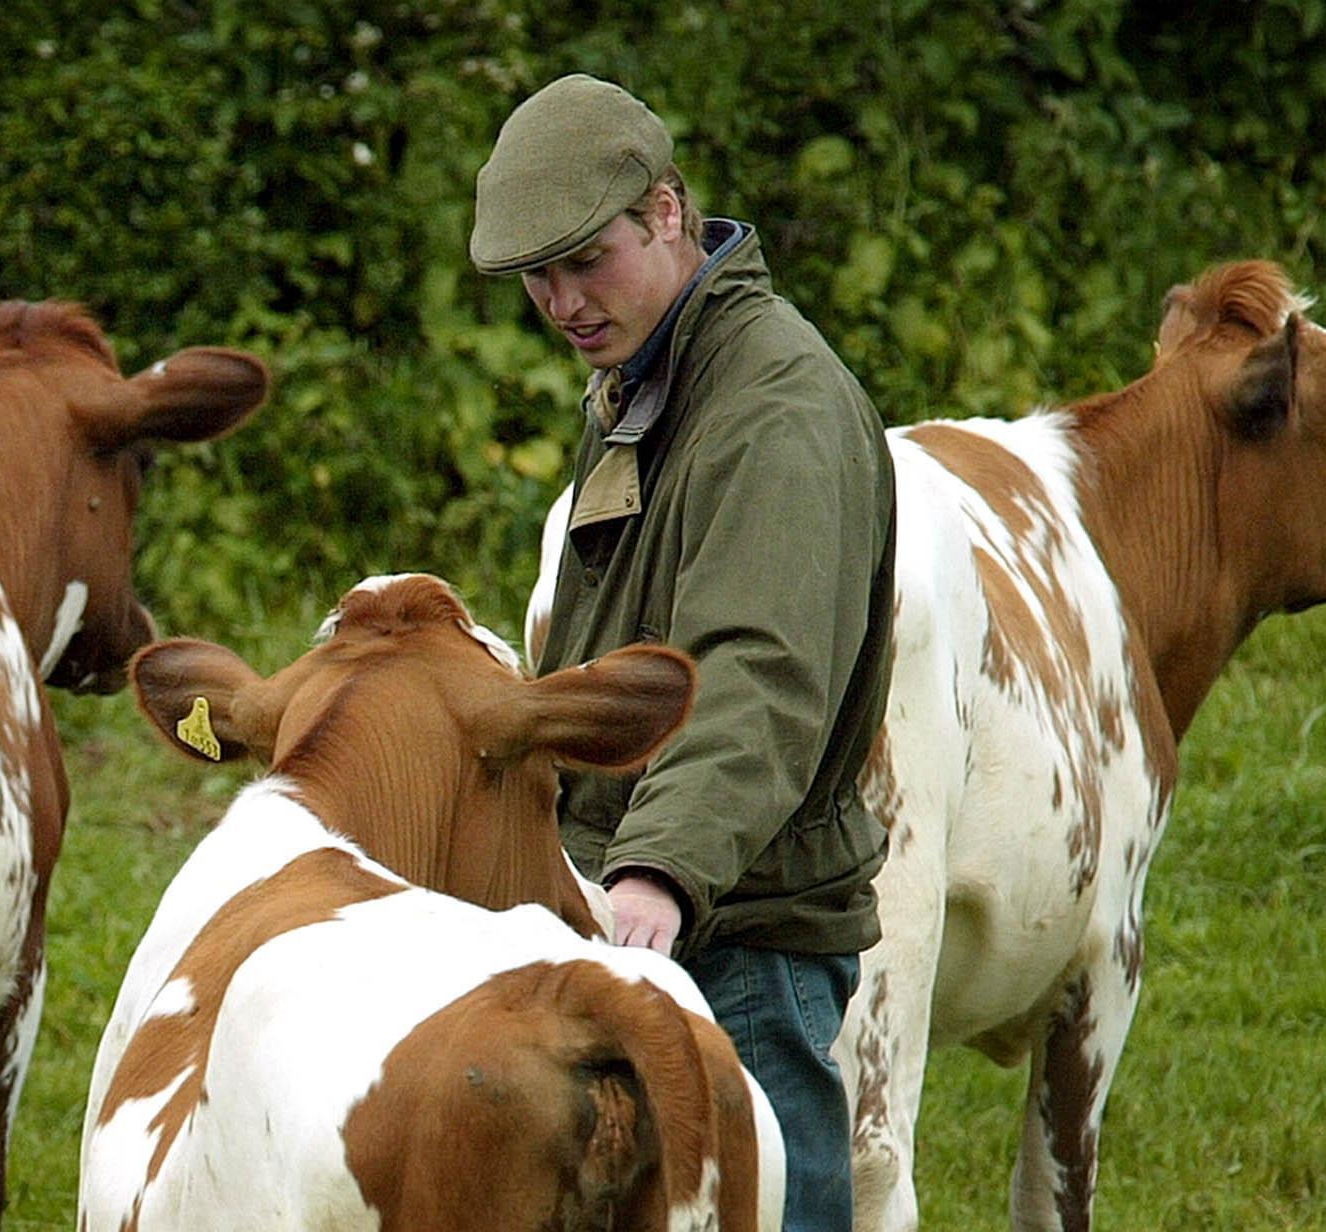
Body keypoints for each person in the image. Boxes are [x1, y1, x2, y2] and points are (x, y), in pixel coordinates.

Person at [472, 75, 897, 1232]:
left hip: (737, 931)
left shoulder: (776, 412)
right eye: (534, 280)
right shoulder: (644, 378)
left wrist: (655, 866)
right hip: (640, 906)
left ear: (665, 212)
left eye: (581, 261)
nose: (560, 303)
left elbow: (755, 671)